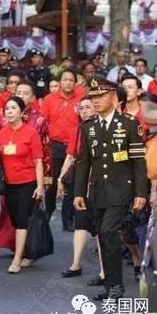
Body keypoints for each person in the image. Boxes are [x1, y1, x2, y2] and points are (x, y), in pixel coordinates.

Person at [74, 76, 147, 300]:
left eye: (101, 96)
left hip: (121, 190)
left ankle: (116, 285)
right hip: (98, 191)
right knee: (103, 236)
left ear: (114, 97)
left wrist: (140, 193)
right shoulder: (88, 127)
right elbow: (83, 162)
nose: (96, 101)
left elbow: (138, 162)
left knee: (108, 232)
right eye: (93, 97)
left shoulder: (128, 124)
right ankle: (109, 284)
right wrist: (79, 192)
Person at [0, 97, 44, 274]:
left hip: (27, 182)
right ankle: (27, 251)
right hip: (9, 183)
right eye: (7, 108)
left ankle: (17, 259)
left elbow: (38, 161)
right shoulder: (3, 132)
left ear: (22, 112)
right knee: (15, 220)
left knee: (22, 220)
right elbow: (0, 160)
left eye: (13, 108)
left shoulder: (30, 133)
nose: (9, 111)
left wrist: (40, 186)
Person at [56, 96, 105, 282]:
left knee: (102, 229)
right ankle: (75, 264)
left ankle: (103, 270)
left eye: (88, 107)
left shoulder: (103, 128)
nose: (84, 111)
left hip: (100, 183)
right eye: (82, 108)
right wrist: (60, 178)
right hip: (81, 182)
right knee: (80, 223)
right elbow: (70, 156)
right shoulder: (79, 129)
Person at [40, 69, 81, 230]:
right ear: (60, 81)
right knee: (50, 180)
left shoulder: (81, 99)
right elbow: (42, 123)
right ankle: (48, 211)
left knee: (70, 183)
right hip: (53, 146)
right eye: (65, 79)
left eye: (71, 80)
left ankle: (67, 218)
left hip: (74, 146)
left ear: (75, 82)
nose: (68, 82)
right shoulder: (49, 99)